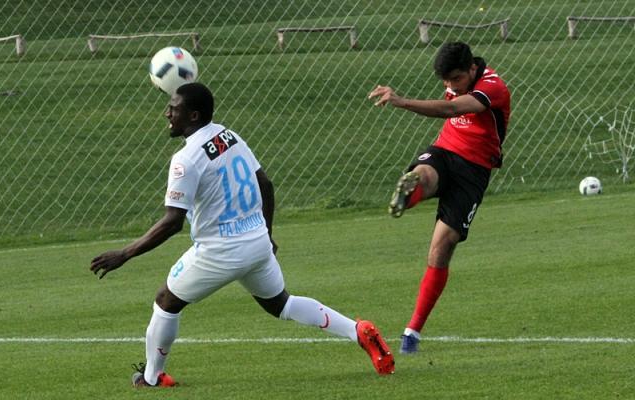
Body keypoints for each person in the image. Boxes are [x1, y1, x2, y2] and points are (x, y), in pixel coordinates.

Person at [90, 82, 394, 387]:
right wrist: (267, 234)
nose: (167, 113)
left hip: (219, 251)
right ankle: (357, 330)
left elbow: (172, 222)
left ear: (193, 115)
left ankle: (153, 377)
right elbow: (266, 185)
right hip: (257, 243)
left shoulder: (185, 159)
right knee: (281, 304)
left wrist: (124, 254)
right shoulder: (228, 136)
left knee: (166, 301)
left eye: (174, 108)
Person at [368, 42, 511, 354]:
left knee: (441, 248)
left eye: (456, 79)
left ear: (472, 68)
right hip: (444, 151)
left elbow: (452, 109)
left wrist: (401, 101)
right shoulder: (457, 80)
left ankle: (412, 332)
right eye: (446, 82)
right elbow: (451, 104)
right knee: (425, 175)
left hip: (474, 170)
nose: (451, 87)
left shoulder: (493, 87)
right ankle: (410, 191)